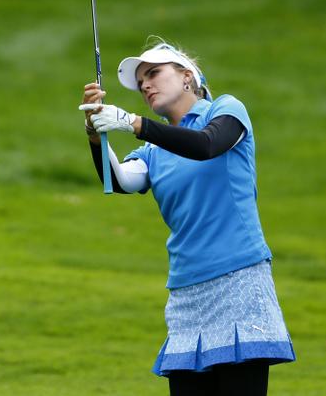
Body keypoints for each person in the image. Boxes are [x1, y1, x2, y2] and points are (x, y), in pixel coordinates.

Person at [79, 39, 295, 396]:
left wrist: (133, 123)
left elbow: (207, 145)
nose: (145, 85)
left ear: (186, 76)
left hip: (239, 282)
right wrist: (94, 133)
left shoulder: (225, 110)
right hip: (186, 295)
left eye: (153, 74)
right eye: (141, 82)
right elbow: (119, 180)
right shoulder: (152, 150)